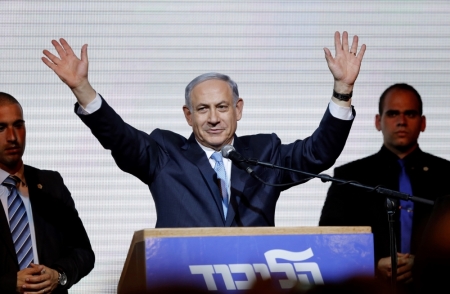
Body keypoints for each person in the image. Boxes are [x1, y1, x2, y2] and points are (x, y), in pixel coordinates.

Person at [41, 31, 365, 228]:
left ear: (238, 110)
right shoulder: (164, 154)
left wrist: (342, 89)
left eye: (222, 107)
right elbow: (121, 139)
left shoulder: (265, 153)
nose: (213, 118)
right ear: (188, 115)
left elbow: (318, 153)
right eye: (203, 109)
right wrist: (83, 89)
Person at [319, 83, 450, 292]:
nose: (401, 121)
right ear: (378, 122)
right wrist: (371, 265)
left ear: (423, 123)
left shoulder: (447, 175)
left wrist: (424, 264)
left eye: (410, 114)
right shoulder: (350, 177)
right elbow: (328, 240)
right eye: (392, 114)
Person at [0, 93, 95, 293]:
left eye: (18, 125)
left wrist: (58, 275)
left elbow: (83, 252)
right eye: (1, 128)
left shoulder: (51, 184)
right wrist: (9, 283)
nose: (12, 137)